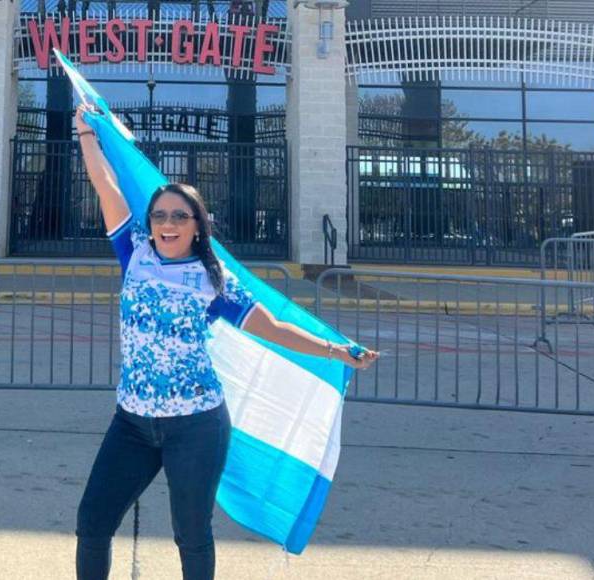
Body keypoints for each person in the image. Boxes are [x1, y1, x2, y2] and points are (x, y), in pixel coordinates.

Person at [74, 105, 378, 580]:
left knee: (191, 536)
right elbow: (106, 186)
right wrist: (86, 133)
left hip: (196, 427)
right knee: (92, 521)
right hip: (132, 423)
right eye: (159, 215)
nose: (166, 222)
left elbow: (274, 328)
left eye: (179, 215)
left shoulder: (212, 281)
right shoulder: (133, 252)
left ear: (197, 225)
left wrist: (337, 351)